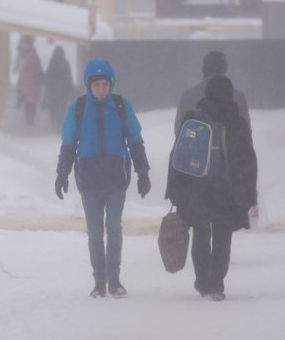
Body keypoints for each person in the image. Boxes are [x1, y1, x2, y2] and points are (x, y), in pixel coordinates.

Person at [54, 59, 151, 298]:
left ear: (111, 84)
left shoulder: (120, 106)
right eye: (96, 84)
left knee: (114, 229)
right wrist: (62, 173)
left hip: (116, 178)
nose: (101, 89)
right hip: (89, 180)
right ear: (89, 85)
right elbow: (68, 143)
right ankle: (99, 281)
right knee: (95, 233)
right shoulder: (77, 108)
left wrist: (143, 172)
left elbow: (135, 140)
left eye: (105, 84)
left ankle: (114, 280)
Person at [166, 75, 257, 301]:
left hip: (198, 188)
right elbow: (248, 159)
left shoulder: (195, 118)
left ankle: (202, 281)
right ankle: (216, 283)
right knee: (222, 236)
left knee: (201, 233)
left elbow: (178, 155)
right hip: (226, 190)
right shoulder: (236, 122)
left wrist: (174, 188)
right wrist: (249, 192)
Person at [174, 51, 251, 136]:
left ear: (203, 68)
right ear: (225, 68)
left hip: (198, 147)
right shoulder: (238, 97)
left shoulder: (189, 95)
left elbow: (179, 132)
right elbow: (246, 133)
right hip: (232, 148)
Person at [43, 46, 74, 131]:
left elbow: (48, 77)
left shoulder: (52, 62)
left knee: (53, 108)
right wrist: (71, 92)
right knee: (61, 108)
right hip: (62, 92)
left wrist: (47, 87)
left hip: (53, 91)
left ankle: (53, 123)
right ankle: (59, 124)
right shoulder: (65, 63)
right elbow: (69, 78)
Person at [14, 35, 43, 126]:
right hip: (30, 85)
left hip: (28, 85)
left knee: (29, 105)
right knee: (30, 105)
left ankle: (29, 121)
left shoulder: (27, 57)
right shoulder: (31, 56)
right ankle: (30, 121)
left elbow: (22, 72)